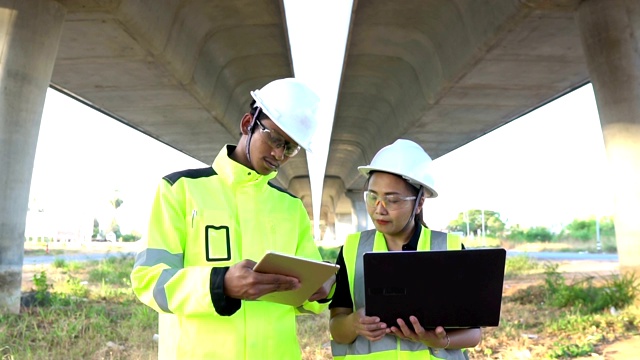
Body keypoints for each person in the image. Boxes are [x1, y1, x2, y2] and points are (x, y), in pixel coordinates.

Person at [130, 78, 335, 360]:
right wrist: (220, 284)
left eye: (290, 148)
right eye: (275, 139)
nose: (278, 154)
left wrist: (322, 290)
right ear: (248, 123)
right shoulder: (180, 190)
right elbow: (149, 280)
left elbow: (307, 294)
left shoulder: (291, 207)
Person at [329, 139, 482, 359]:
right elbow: (337, 328)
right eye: (372, 197)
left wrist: (440, 340)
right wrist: (354, 324)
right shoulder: (352, 250)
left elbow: (474, 333)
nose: (379, 209)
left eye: (392, 200)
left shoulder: (450, 248)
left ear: (420, 202)